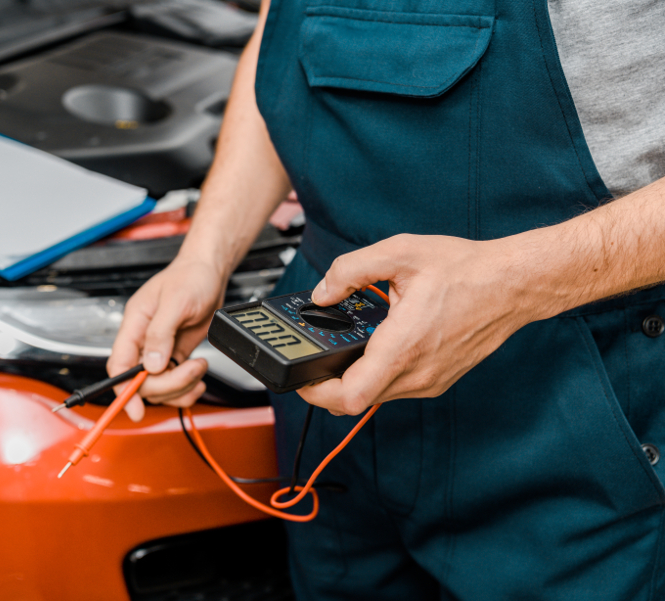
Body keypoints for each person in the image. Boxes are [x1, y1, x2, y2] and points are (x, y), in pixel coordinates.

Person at [109, 0, 665, 598]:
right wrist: (206, 256)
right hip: (328, 410)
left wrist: (518, 281)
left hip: (569, 413)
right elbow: (290, 39)